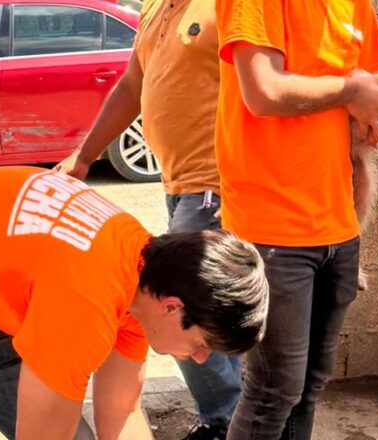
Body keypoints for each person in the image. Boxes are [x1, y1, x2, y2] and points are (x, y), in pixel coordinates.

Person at [0, 166, 268, 440]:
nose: (202, 356)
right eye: (204, 342)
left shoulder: (141, 274)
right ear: (173, 307)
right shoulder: (85, 299)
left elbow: (122, 412)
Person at [54, 0, 238, 438]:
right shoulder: (156, 7)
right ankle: (230, 416)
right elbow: (132, 85)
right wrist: (85, 155)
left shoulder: (227, 8)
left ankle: (226, 422)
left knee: (172, 306)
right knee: (199, 307)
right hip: (178, 184)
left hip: (216, 185)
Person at [213, 0, 378, 438]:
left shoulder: (353, 6)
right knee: (273, 390)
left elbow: (377, 99)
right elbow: (263, 91)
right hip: (272, 225)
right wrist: (349, 91)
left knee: (307, 389)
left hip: (338, 221)